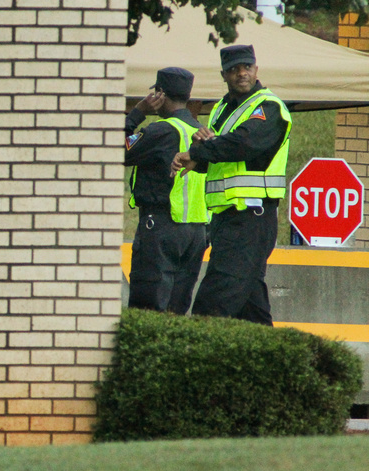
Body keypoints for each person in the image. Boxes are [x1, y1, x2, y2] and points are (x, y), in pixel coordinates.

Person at [170, 45, 291, 326]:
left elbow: (245, 143)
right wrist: (199, 153)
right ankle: (272, 366)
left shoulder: (268, 107)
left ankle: (198, 363)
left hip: (251, 219)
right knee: (251, 311)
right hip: (226, 220)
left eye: (247, 67)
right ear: (224, 74)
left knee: (213, 305)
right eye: (234, 69)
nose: (242, 73)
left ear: (256, 70)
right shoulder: (222, 109)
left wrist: (199, 152)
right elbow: (223, 157)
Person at [124, 67, 208, 314]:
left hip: (161, 226)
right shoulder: (198, 131)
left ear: (159, 94)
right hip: (196, 232)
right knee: (176, 309)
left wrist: (138, 112)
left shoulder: (161, 130)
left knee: (148, 306)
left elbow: (114, 148)